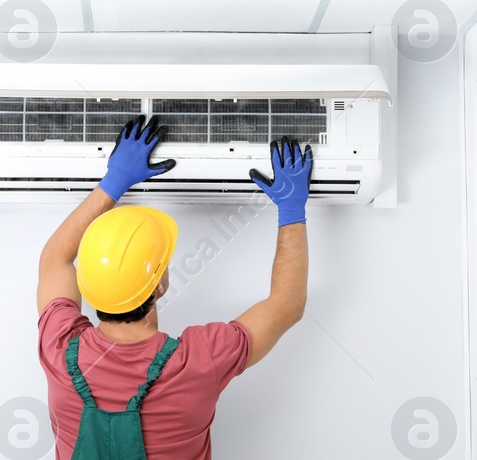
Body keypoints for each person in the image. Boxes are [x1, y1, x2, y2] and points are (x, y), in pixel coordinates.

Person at [35, 115, 311, 460]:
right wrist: (291, 209)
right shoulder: (199, 360)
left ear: (85, 283)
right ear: (160, 284)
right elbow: (287, 304)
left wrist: (114, 180)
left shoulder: (60, 347)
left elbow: (55, 260)